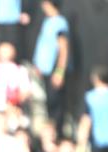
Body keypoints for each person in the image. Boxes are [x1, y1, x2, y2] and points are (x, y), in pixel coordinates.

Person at [32, 0, 69, 136]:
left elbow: (63, 49)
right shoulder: (48, 21)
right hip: (46, 70)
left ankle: (57, 134)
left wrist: (59, 72)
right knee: (49, 104)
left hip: (55, 70)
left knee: (56, 107)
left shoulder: (59, 23)